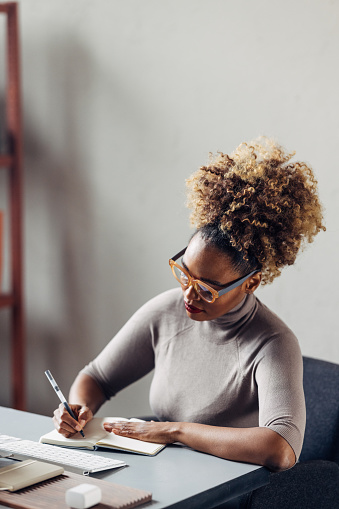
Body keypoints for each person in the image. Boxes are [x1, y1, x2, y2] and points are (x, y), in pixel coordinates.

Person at [53, 137, 325, 472]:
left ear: (251, 283)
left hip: (224, 489)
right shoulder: (166, 311)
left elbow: (281, 449)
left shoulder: (273, 344)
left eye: (208, 289)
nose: (189, 296)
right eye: (185, 275)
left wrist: (174, 431)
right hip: (163, 473)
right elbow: (96, 378)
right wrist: (77, 409)